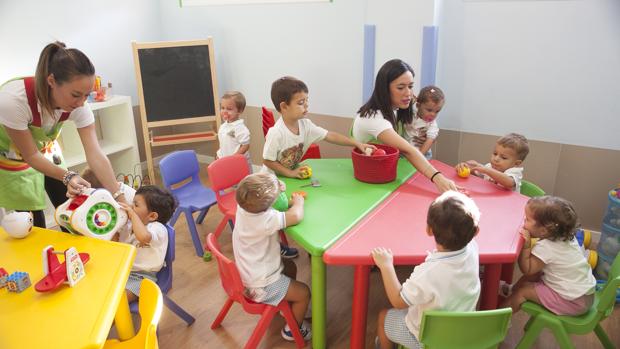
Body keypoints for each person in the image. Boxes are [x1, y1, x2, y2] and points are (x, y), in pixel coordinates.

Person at [0, 41, 126, 228]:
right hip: (10, 159)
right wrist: (68, 176)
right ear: (51, 81)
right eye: (76, 95)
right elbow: (31, 155)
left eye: (86, 95)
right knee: (32, 225)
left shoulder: (77, 104)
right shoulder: (13, 100)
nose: (82, 103)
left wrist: (120, 198)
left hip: (44, 150)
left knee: (72, 213)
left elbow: (95, 154)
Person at [372, 190, 481, 349]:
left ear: (429, 230)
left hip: (426, 341)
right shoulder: (472, 249)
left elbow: (398, 301)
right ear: (476, 232)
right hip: (462, 331)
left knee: (384, 317)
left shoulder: (428, 272)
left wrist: (386, 265)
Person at [352, 59, 456, 193]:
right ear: (384, 89)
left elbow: (416, 102)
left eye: (411, 86)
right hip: (371, 175)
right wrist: (438, 178)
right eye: (401, 88)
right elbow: (407, 150)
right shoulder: (374, 118)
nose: (408, 93)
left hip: (389, 170)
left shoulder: (396, 106)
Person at [232, 172, 312, 341]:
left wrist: (275, 186)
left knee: (290, 266)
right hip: (262, 285)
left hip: (249, 274)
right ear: (269, 205)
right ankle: (292, 329)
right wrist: (298, 202)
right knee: (304, 293)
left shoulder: (243, 207)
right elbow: (296, 216)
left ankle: (287, 307)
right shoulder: (266, 219)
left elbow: (256, 191)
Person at [262, 76, 375, 178]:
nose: (306, 104)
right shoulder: (276, 133)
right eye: (301, 102)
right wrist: (290, 173)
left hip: (287, 179)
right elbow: (267, 160)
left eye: (307, 100)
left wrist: (356, 143)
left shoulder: (306, 125)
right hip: (269, 181)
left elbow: (330, 136)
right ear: (284, 106)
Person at [501, 196, 596, 315]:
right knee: (536, 273)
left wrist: (526, 246)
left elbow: (528, 269)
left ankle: (496, 322)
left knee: (523, 292)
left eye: (527, 219)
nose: (523, 222)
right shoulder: (567, 238)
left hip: (572, 302)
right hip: (585, 295)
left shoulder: (547, 247)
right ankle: (511, 290)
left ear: (543, 231)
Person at [116, 185, 177, 302]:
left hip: (142, 277)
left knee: (118, 300)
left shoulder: (158, 228)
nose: (130, 206)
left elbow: (144, 237)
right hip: (123, 269)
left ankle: (113, 318)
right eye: (132, 203)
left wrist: (133, 215)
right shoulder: (130, 224)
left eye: (136, 205)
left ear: (152, 216)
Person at [456, 133, 529, 192]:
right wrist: (467, 168)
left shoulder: (515, 172)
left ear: (516, 163)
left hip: (506, 206)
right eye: (495, 153)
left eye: (503, 157)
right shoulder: (489, 166)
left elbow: (509, 183)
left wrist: (486, 170)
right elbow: (477, 176)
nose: (496, 159)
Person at [403, 85, 444, 160]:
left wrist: (418, 157)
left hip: (423, 154)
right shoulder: (411, 112)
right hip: (405, 152)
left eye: (437, 111)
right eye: (429, 110)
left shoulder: (432, 124)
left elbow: (430, 140)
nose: (433, 114)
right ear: (418, 105)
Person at [216, 91, 252, 172]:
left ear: (239, 111)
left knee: (242, 182)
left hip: (239, 163)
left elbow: (245, 145)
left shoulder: (240, 128)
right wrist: (219, 155)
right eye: (222, 108)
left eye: (229, 109)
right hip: (226, 162)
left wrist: (234, 158)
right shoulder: (223, 126)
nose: (224, 111)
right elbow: (223, 143)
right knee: (229, 180)